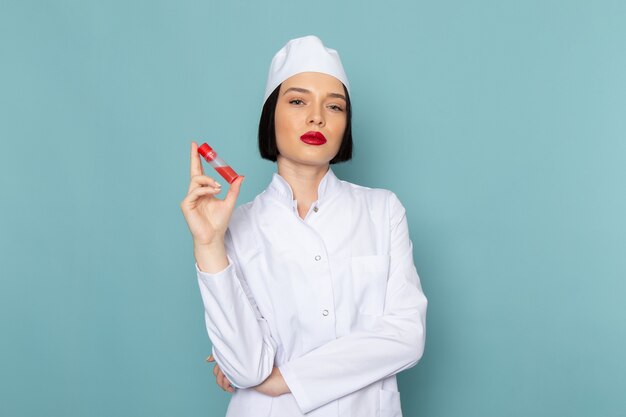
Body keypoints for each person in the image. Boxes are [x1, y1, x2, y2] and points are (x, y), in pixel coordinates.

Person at [180, 35, 427, 417]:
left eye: (335, 106)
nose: (317, 117)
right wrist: (209, 246)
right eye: (297, 100)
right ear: (270, 116)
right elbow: (246, 368)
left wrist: (286, 379)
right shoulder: (235, 226)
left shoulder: (382, 211)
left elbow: (407, 337)